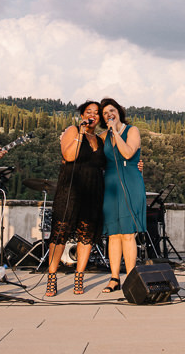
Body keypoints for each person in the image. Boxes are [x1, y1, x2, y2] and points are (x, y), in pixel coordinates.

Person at [45, 101, 106, 296]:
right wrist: (80, 133)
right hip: (71, 188)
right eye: (89, 112)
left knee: (86, 233)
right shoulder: (73, 130)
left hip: (93, 189)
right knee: (60, 231)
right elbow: (69, 156)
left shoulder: (100, 139)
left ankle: (79, 276)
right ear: (82, 116)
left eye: (97, 113)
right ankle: (52, 276)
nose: (93, 115)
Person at [99, 97, 146, 294]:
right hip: (110, 184)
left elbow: (127, 153)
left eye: (112, 110)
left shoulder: (131, 130)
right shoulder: (102, 137)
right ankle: (114, 278)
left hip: (130, 181)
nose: (109, 114)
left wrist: (115, 133)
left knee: (127, 233)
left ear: (118, 111)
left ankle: (131, 277)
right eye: (105, 113)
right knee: (113, 234)